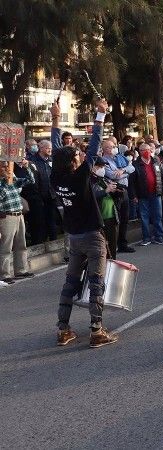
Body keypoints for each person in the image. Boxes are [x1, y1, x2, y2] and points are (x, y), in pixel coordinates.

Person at [50, 99, 118, 348]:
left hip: (74, 237)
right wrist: (100, 115)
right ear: (74, 163)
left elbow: (57, 149)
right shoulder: (79, 177)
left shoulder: (55, 176)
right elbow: (94, 145)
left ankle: (63, 329)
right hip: (92, 235)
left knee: (70, 282)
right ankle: (97, 330)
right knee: (96, 281)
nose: (80, 157)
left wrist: (55, 118)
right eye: (77, 156)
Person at [0, 159, 35, 285]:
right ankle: (4, 274)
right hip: (6, 216)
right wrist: (5, 182)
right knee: (6, 247)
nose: (7, 169)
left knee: (21, 244)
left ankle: (21, 270)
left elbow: (31, 181)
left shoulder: (13, 179)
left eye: (8, 167)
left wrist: (26, 167)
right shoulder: (3, 183)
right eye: (4, 167)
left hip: (19, 214)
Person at [100, 137, 136, 253]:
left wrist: (123, 171)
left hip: (125, 190)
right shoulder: (104, 161)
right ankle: (113, 245)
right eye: (112, 147)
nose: (114, 148)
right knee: (116, 220)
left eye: (115, 146)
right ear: (106, 149)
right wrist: (125, 172)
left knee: (125, 218)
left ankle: (122, 244)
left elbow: (132, 167)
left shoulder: (120, 157)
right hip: (115, 192)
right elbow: (113, 175)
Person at [130, 143, 163, 246]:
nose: (146, 152)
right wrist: (133, 196)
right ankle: (146, 238)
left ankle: (159, 236)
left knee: (157, 216)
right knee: (144, 217)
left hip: (156, 193)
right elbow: (131, 182)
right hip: (142, 195)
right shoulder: (135, 164)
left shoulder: (156, 161)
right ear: (140, 152)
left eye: (148, 149)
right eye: (143, 150)